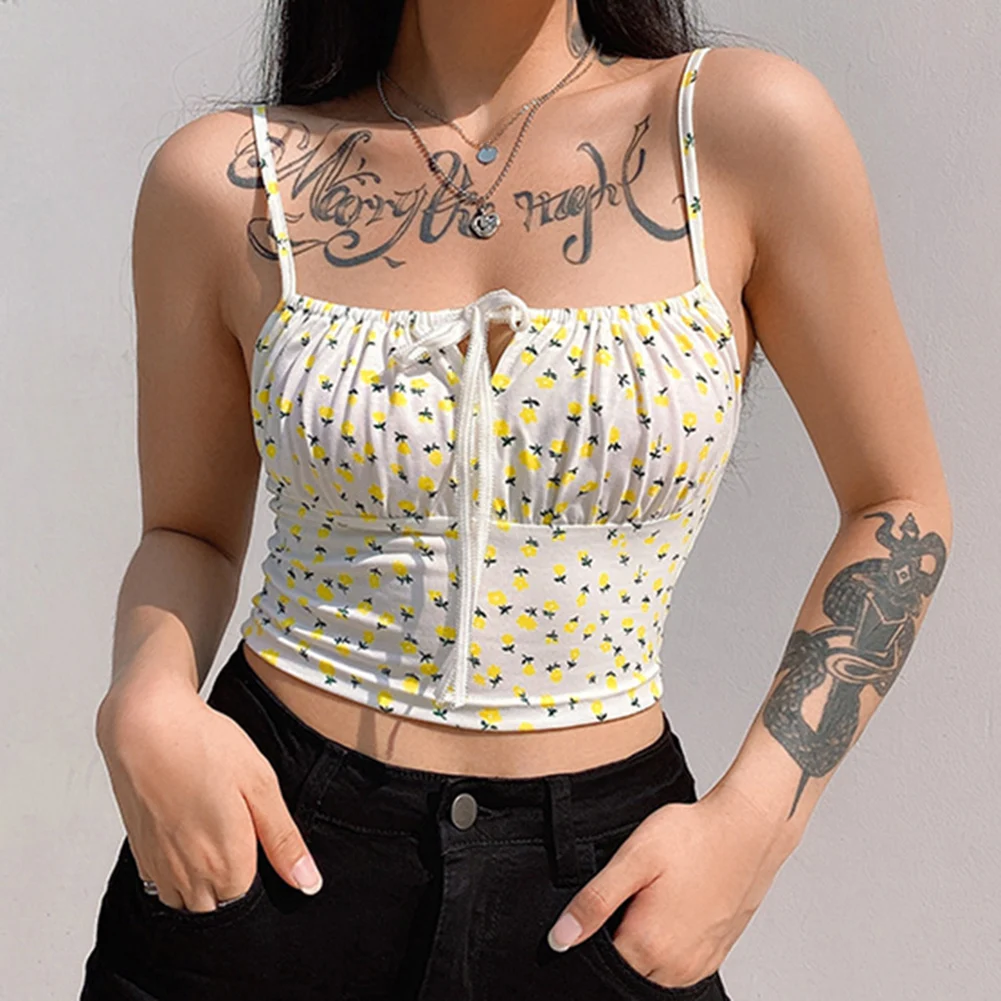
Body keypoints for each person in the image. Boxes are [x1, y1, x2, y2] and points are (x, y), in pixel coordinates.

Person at [79, 1, 953, 999]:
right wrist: (144, 699)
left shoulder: (739, 128)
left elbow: (897, 504)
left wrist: (755, 824)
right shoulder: (230, 178)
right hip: (264, 853)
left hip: (596, 890)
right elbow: (186, 530)